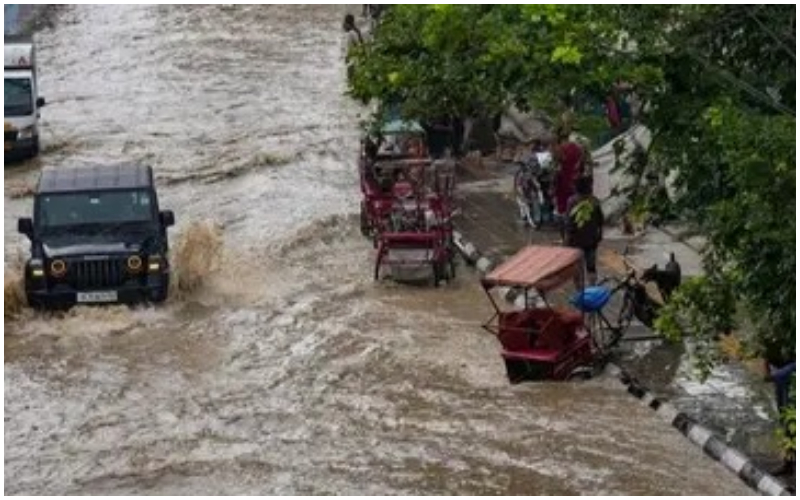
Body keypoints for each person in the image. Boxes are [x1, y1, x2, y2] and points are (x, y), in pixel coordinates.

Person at [565, 176, 604, 284]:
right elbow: (601, 221)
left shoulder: (572, 201)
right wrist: (600, 234)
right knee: (591, 266)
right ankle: (592, 287)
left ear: (576, 187)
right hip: (591, 240)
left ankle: (580, 290)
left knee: (577, 267)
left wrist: (567, 240)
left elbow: (569, 223)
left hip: (575, 240)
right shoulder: (594, 200)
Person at [342, 14, 363, 80]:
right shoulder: (352, 33)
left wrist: (348, 56)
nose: (343, 25)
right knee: (351, 77)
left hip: (353, 59)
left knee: (351, 77)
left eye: (345, 23)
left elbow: (358, 45)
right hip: (352, 59)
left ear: (348, 24)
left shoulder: (352, 33)